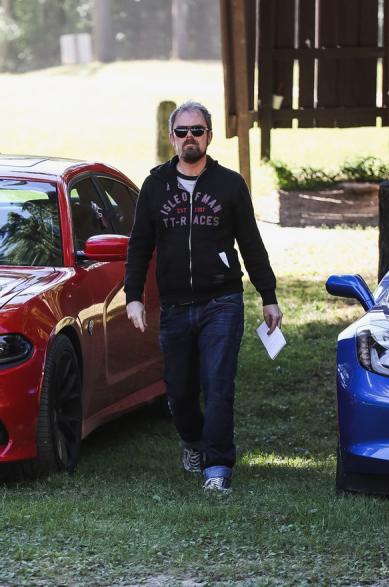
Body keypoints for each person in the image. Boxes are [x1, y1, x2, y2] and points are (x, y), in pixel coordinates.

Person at [124, 100, 282, 493]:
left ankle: (218, 467)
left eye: (197, 131)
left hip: (222, 302)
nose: (190, 138)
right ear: (172, 138)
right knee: (178, 392)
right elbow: (139, 245)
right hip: (175, 306)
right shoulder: (155, 186)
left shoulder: (229, 184)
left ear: (209, 136)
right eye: (182, 132)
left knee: (218, 384)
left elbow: (250, 241)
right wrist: (134, 296)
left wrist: (268, 294)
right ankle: (193, 443)